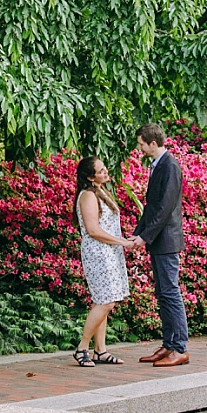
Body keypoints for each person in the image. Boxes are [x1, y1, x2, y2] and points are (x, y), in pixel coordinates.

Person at [125, 123, 189, 366]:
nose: (139, 148)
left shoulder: (170, 166)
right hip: (159, 240)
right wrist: (137, 233)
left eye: (141, 143)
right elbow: (151, 207)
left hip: (167, 241)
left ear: (153, 143)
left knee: (171, 292)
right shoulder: (159, 165)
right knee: (163, 293)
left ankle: (180, 347)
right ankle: (169, 344)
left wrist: (144, 237)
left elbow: (164, 209)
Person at [73, 156, 130, 367]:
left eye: (104, 168)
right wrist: (122, 242)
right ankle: (82, 347)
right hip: (99, 253)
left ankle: (100, 350)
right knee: (106, 300)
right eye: (100, 170)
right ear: (90, 177)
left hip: (109, 252)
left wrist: (122, 241)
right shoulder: (88, 195)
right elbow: (93, 230)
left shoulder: (100, 192)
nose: (106, 172)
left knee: (104, 300)